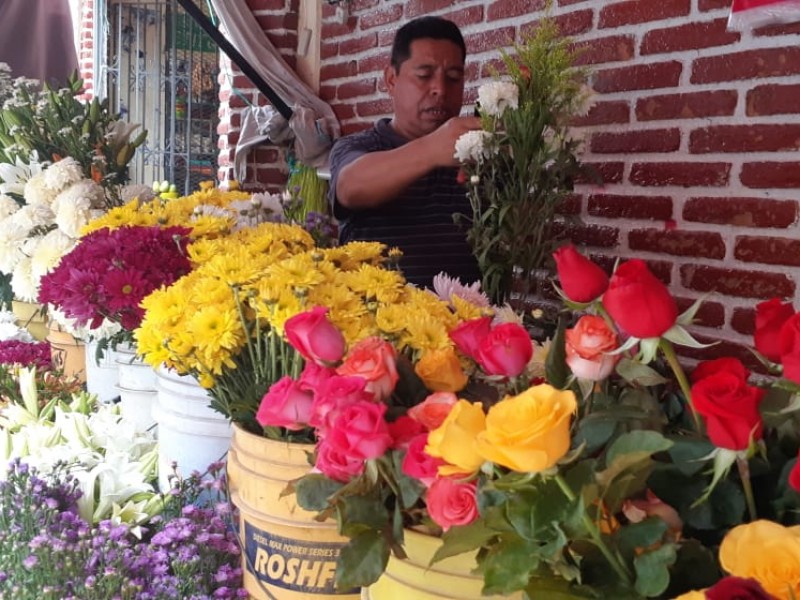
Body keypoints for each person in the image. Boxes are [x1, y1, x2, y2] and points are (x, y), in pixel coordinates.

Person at [328, 16, 482, 290]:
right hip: (380, 325)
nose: (440, 89)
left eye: (454, 78)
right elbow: (351, 187)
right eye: (424, 75)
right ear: (391, 80)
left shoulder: (477, 158)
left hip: (467, 325)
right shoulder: (359, 147)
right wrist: (434, 149)